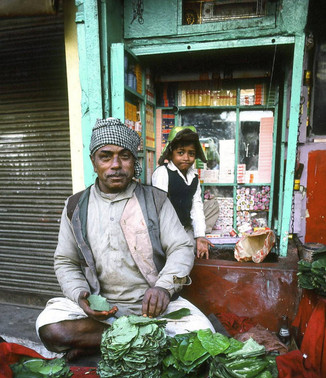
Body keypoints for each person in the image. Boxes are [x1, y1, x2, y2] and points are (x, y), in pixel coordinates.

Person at [36, 118, 214, 361]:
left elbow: (182, 246)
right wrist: (80, 295)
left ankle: (104, 342)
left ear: (134, 162)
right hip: (100, 312)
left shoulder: (156, 200)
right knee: (50, 329)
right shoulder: (75, 205)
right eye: (105, 156)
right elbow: (65, 261)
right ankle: (141, 340)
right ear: (94, 162)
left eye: (125, 156)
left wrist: (164, 287)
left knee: (203, 338)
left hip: (153, 309)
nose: (116, 165)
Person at [152, 126, 214, 259]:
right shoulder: (163, 173)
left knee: (212, 206)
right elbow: (158, 209)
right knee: (181, 256)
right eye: (181, 153)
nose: (186, 158)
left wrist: (200, 235)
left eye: (191, 153)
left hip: (186, 228)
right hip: (167, 232)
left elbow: (196, 207)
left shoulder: (194, 177)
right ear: (170, 153)